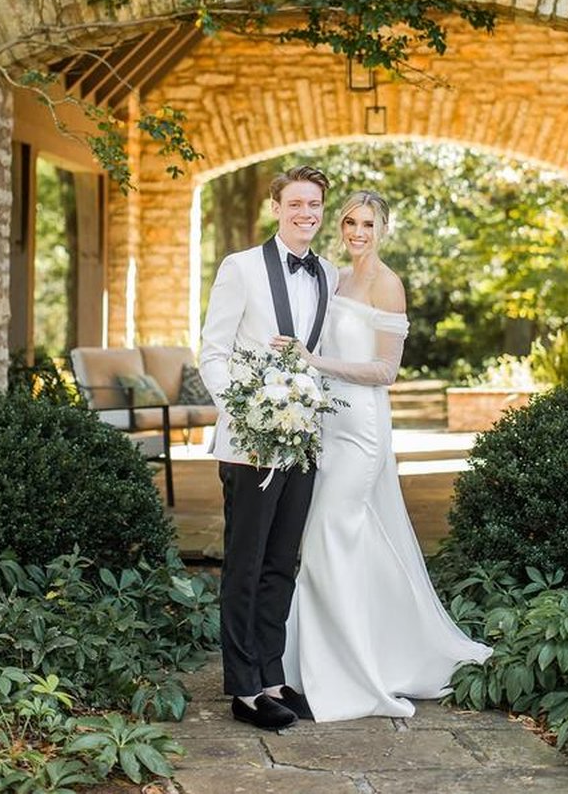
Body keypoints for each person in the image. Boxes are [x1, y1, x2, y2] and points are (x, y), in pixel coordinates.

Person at [273, 190, 492, 722]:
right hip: (326, 427)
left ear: (383, 229)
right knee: (345, 544)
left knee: (327, 536)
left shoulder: (387, 284)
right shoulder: (334, 277)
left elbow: (386, 372)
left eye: (368, 223)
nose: (357, 232)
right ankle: (314, 668)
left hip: (363, 430)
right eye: (350, 221)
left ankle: (349, 676)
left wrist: (315, 362)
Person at [199, 165, 339, 731]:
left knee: (282, 563)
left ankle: (273, 676)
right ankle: (243, 688)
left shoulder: (326, 271)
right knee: (245, 564)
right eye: (297, 203)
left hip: (304, 442)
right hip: (249, 444)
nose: (307, 213)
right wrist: (250, 412)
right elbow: (212, 352)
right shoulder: (240, 268)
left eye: (315, 205)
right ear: (277, 207)